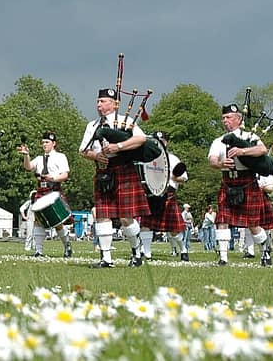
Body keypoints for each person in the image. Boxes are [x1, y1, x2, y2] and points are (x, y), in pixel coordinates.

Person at [79, 88, 150, 268]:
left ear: (115, 104)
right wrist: (95, 156)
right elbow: (83, 150)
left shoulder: (125, 122)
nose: (98, 105)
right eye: (98, 101)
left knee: (126, 217)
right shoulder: (92, 125)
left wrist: (118, 146)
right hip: (104, 172)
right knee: (102, 215)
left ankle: (136, 250)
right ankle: (106, 259)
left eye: (103, 101)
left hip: (124, 170)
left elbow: (141, 139)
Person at [207, 103, 273, 266]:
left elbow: (262, 150)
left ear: (238, 119)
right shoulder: (218, 141)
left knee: (252, 224)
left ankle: (265, 251)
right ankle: (223, 257)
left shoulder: (248, 137)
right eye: (223, 118)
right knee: (222, 219)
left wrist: (242, 151)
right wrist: (221, 163)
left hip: (247, 182)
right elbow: (212, 160)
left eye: (228, 117)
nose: (225, 121)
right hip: (228, 182)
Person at [19, 131, 73, 258]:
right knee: (38, 220)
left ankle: (67, 246)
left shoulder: (60, 157)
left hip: (53, 189)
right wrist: (26, 155)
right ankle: (38, 251)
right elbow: (28, 167)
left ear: (54, 143)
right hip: (41, 191)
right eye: (43, 142)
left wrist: (53, 178)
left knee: (57, 221)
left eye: (47, 142)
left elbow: (65, 175)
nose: (44, 145)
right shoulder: (38, 158)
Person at [138, 132, 190, 262]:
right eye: (157, 140)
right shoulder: (146, 157)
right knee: (146, 225)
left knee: (173, 229)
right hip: (151, 193)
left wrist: (171, 177)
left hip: (168, 193)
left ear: (166, 142)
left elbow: (184, 178)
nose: (159, 143)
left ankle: (183, 249)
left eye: (162, 141)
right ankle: (147, 253)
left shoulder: (172, 159)